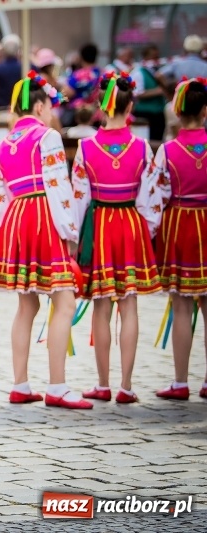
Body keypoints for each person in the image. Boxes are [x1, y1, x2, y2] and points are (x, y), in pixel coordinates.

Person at [0, 71, 91, 410]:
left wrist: (11, 235)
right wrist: (70, 232)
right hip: (44, 217)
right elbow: (59, 188)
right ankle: (58, 385)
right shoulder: (46, 137)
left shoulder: (2, 145)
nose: (51, 113)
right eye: (49, 106)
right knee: (64, 302)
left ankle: (20, 383)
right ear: (37, 105)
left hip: (17, 219)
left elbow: (0, 196)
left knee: (26, 304)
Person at [72, 71, 161, 404]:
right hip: (131, 225)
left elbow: (78, 201)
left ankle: (103, 383)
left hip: (100, 227)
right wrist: (146, 231)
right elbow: (150, 202)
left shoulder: (85, 147)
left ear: (100, 105)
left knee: (102, 306)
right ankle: (126, 385)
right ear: (131, 105)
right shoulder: (142, 148)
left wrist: (77, 242)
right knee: (130, 304)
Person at [151, 78, 207, 400]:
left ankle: (181, 380)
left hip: (180, 226)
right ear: (204, 110)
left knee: (182, 306)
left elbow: (156, 200)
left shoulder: (168, 151)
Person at [131, 45, 167, 141]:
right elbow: (137, 93)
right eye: (153, 57)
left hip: (158, 114)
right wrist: (158, 91)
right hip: (144, 115)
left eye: (157, 57)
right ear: (146, 57)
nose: (156, 59)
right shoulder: (138, 72)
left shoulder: (158, 71)